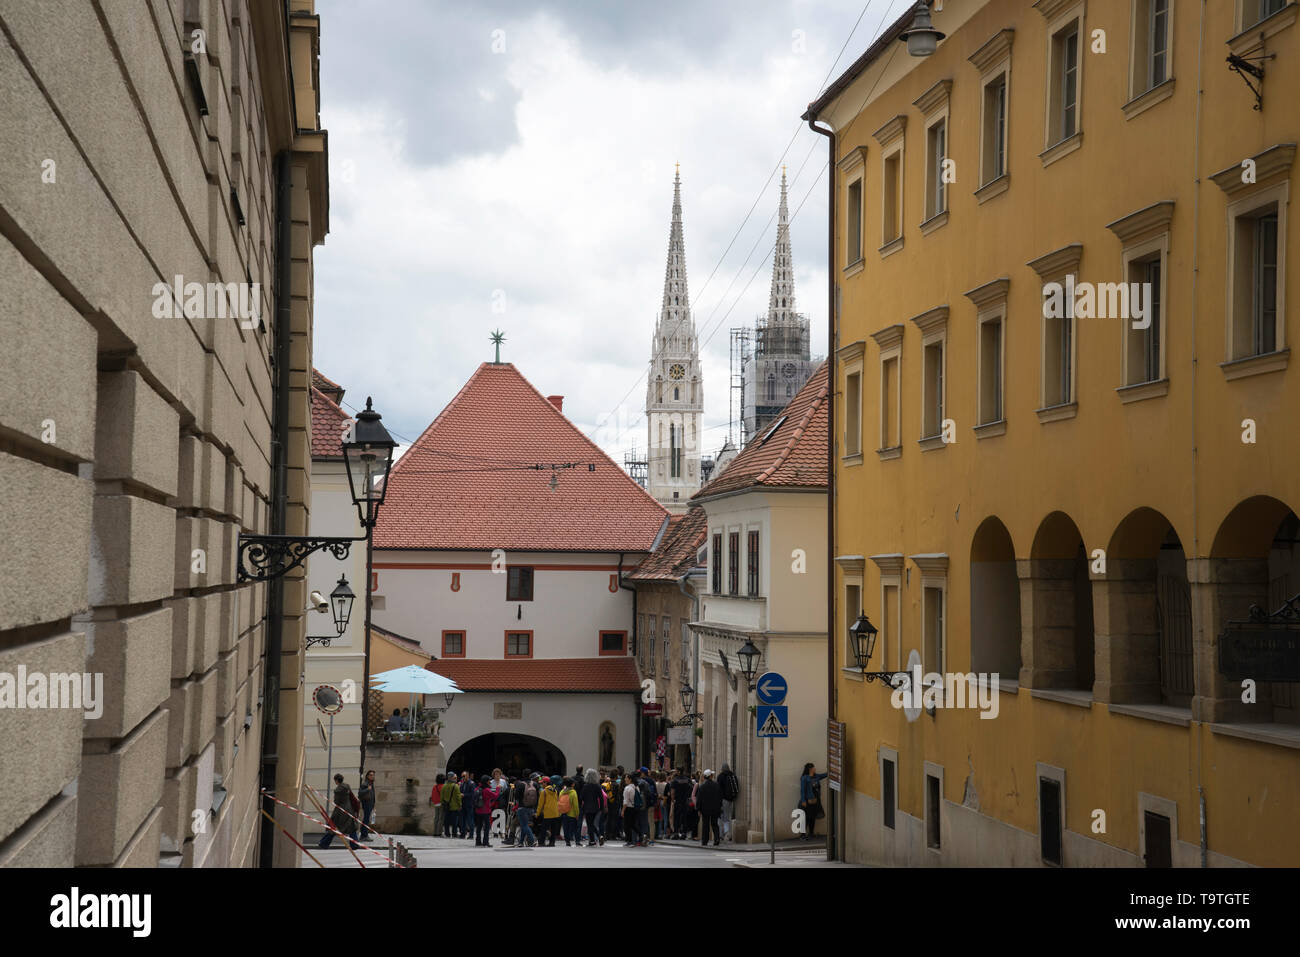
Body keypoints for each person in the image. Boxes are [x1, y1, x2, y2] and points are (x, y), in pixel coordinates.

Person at [317, 773, 360, 849]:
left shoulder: (337, 790)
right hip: (349, 809)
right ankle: (354, 844)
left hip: (340, 811)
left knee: (333, 827)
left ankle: (324, 843)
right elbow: (352, 797)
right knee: (352, 827)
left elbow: (337, 802)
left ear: (336, 780)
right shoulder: (347, 786)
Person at [799, 763, 828, 840]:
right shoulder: (804, 778)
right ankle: (802, 835)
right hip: (807, 801)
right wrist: (803, 800)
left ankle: (811, 833)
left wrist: (831, 770)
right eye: (813, 768)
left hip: (815, 800)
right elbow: (802, 790)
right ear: (810, 769)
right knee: (806, 818)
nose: (815, 769)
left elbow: (825, 775)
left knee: (812, 817)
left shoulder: (816, 776)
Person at [696, 769, 723, 846]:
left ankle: (705, 840)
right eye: (712, 775)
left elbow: (699, 799)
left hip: (705, 809)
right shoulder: (716, 785)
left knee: (705, 825)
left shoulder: (702, 786)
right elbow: (720, 797)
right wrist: (720, 806)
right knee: (715, 824)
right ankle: (716, 839)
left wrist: (698, 809)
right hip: (715, 808)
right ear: (710, 776)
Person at [580, 768, 603, 847]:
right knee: (591, 824)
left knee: (590, 825)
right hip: (595, 807)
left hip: (587, 807)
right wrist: (602, 808)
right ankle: (598, 837)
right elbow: (601, 797)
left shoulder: (585, 786)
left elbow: (581, 797)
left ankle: (593, 840)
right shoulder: (597, 786)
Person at [535, 775, 560, 846]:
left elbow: (540, 804)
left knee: (544, 829)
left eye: (542, 783)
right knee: (553, 829)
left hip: (547, 814)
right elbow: (557, 801)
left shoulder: (544, 792)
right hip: (555, 813)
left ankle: (541, 842)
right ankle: (552, 843)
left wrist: (537, 813)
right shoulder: (555, 791)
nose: (541, 784)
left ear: (546, 783)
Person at [516, 773, 540, 848]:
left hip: (522, 808)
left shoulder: (520, 784)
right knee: (525, 825)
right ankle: (520, 842)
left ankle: (532, 841)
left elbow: (516, 796)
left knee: (524, 825)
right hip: (531, 808)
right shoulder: (535, 784)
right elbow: (538, 796)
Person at [718, 763, 740, 842]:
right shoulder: (732, 775)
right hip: (730, 800)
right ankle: (727, 834)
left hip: (723, 800)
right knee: (728, 817)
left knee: (721, 817)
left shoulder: (720, 777)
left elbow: (719, 790)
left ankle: (723, 834)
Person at [474, 775, 498, 847]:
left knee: (479, 827)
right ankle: (485, 842)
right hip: (485, 811)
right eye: (488, 780)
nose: (490, 782)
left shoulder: (478, 788)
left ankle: (478, 841)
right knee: (487, 827)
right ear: (486, 782)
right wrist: (498, 789)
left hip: (478, 810)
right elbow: (495, 796)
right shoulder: (486, 790)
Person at [670, 769, 692, 839]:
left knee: (676, 817)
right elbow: (691, 789)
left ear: (678, 772)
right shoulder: (688, 780)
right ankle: (684, 833)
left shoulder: (675, 780)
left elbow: (672, 791)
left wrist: (673, 800)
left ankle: (676, 833)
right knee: (685, 817)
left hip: (678, 801)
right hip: (685, 800)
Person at [559, 777, 581, 846]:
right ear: (572, 785)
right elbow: (575, 805)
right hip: (572, 814)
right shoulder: (573, 792)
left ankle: (567, 842)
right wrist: (577, 814)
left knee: (566, 828)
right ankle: (577, 841)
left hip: (564, 813)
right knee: (575, 828)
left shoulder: (562, 792)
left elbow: (559, 802)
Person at [441, 773, 463, 838]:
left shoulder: (444, 786)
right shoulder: (456, 786)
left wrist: (443, 803)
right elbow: (458, 797)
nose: (456, 779)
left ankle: (447, 833)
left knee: (446, 821)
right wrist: (460, 805)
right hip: (455, 807)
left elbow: (441, 797)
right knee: (454, 822)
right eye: (454, 778)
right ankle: (454, 833)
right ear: (451, 778)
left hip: (447, 806)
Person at [622, 772, 641, 846]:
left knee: (626, 826)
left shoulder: (627, 788)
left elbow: (625, 801)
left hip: (628, 808)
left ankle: (629, 841)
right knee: (633, 824)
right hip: (635, 808)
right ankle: (641, 835)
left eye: (626, 778)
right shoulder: (636, 787)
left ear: (630, 779)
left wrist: (623, 810)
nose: (625, 779)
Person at [358, 769, 376, 841]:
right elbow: (360, 793)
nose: (372, 776)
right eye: (371, 775)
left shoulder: (371, 783)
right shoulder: (365, 784)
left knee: (366, 819)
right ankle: (364, 835)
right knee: (366, 820)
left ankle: (364, 835)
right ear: (367, 776)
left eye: (373, 775)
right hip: (366, 804)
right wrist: (367, 789)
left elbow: (373, 795)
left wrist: (374, 804)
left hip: (370, 804)